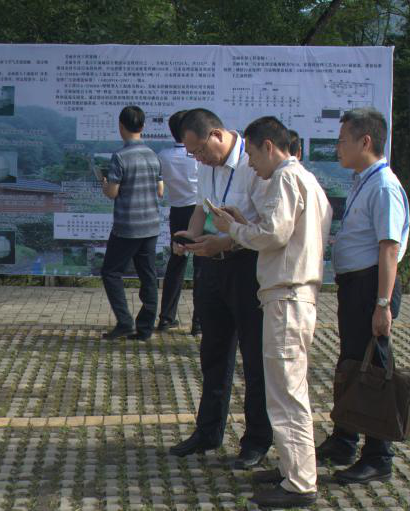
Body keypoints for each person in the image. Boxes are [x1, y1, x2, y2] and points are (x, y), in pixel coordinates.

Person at [213, 117, 332, 508]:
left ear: (268, 146)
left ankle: (299, 482)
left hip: (287, 295)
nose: (250, 163)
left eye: (251, 154)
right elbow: (284, 231)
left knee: (285, 393)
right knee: (286, 389)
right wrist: (245, 224)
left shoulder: (284, 178)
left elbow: (275, 234)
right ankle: (291, 468)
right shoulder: (308, 180)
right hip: (296, 294)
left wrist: (234, 230)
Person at [167, 108, 273, 468]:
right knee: (213, 352)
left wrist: (224, 242)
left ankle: (256, 440)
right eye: (192, 154)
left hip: (247, 266)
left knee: (254, 356)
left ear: (216, 135)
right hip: (211, 264)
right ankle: (208, 431)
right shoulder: (206, 165)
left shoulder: (252, 163)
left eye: (199, 151)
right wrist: (191, 237)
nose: (198, 158)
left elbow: (264, 226)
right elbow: (203, 208)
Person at [315, 107, 410, 484]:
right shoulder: (363, 181)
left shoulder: (384, 186)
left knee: (374, 370)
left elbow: (389, 248)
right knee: (352, 364)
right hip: (357, 285)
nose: (337, 148)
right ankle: (344, 439)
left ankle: (378, 456)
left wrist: (382, 304)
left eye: (342, 141)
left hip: (373, 286)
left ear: (365, 141)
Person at [100, 105, 164, 341]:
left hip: (127, 227)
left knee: (110, 272)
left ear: (121, 126)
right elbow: (160, 190)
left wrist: (105, 184)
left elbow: (113, 192)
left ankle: (125, 322)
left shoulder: (120, 156)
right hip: (151, 225)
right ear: (143, 126)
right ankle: (145, 328)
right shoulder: (153, 155)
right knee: (148, 276)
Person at [156, 110, 202, 335]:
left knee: (176, 263)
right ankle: (198, 322)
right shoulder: (198, 155)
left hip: (178, 212)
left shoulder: (164, 155)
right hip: (200, 211)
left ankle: (166, 318)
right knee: (201, 266)